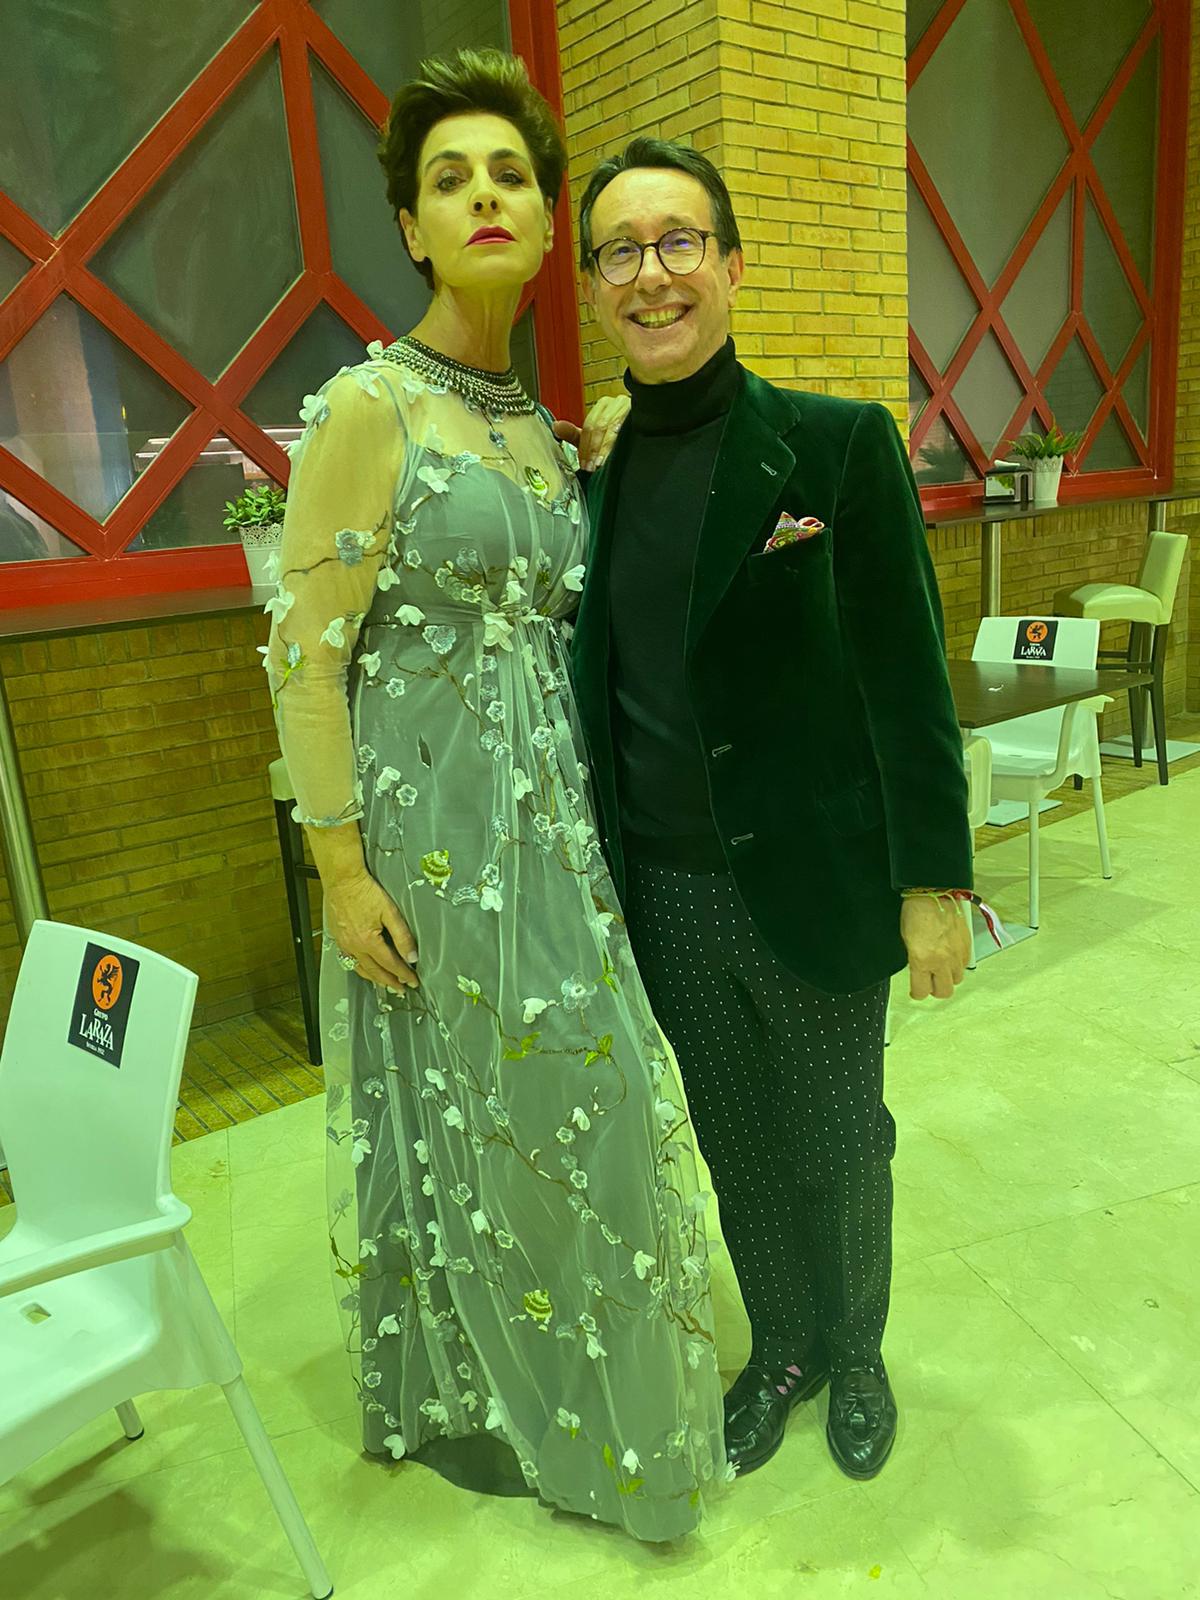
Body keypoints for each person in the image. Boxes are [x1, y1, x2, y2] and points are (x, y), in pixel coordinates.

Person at [264, 54, 729, 1542]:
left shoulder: (541, 426)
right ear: (411, 227)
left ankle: (590, 1379)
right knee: (480, 1111)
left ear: (545, 231)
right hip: (434, 840)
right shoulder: (368, 407)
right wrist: (341, 870)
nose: (484, 197)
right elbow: (304, 657)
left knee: (580, 1099)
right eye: (450, 178)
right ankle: (485, 1385)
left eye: (512, 176)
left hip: (556, 828)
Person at [569, 138, 975, 1483]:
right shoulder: (596, 474)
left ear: (732, 266)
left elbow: (908, 679)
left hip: (812, 877)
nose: (653, 273)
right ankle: (784, 1345)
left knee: (840, 1141)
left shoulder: (837, 447)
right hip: (666, 890)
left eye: (679, 241)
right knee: (739, 1145)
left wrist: (933, 881)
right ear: (596, 288)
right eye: (621, 251)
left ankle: (858, 1352)